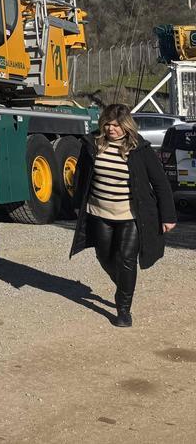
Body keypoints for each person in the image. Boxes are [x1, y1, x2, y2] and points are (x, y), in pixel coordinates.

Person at [69, 103, 177, 327]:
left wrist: (168, 216)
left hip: (130, 215)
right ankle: (124, 284)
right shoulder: (92, 144)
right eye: (107, 124)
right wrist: (78, 204)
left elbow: (160, 183)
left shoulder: (140, 149)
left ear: (126, 126)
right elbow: (80, 175)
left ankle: (123, 309)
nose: (111, 129)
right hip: (100, 212)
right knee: (104, 256)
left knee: (126, 259)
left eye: (116, 125)